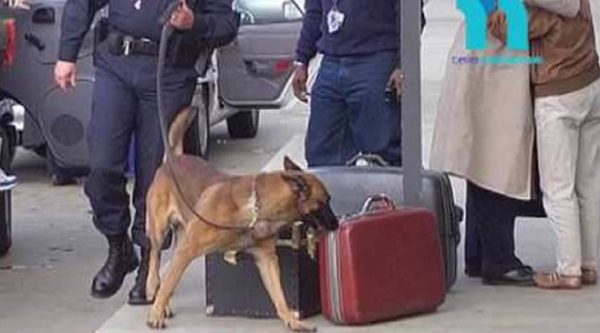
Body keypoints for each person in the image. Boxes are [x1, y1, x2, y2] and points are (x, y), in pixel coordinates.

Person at [55, 0, 238, 304]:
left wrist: (194, 23)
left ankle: (147, 263)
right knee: (101, 166)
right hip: (117, 64)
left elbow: (227, 25)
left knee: (152, 176)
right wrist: (66, 54)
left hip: (169, 71)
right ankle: (118, 245)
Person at [430, 0, 588, 286]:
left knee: (483, 158)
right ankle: (499, 260)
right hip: (497, 55)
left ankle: (480, 256)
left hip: (486, 47)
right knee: (498, 161)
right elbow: (569, 5)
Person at [489, 0, 599, 289]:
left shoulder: (543, 11)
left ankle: (568, 271)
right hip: (591, 86)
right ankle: (588, 264)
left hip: (557, 98)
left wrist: (492, 12)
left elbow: (507, 30)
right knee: (588, 185)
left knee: (558, 189)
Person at [291, 0, 425, 167]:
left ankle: (390, 190)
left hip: (376, 60)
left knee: (383, 152)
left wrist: (403, 64)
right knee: (321, 152)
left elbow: (410, 16)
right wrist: (301, 59)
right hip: (331, 63)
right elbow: (314, 12)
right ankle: (335, 192)